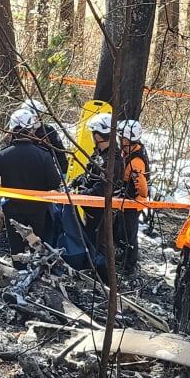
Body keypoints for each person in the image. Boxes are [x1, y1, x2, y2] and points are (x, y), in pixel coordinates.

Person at [0, 108, 61, 269]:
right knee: (35, 242)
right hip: (38, 209)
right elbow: (53, 183)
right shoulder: (43, 155)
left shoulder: (3, 155)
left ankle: (19, 271)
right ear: (31, 130)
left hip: (13, 209)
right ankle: (36, 271)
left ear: (12, 130)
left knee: (16, 246)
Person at [70, 113, 124, 276]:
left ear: (98, 135)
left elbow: (101, 190)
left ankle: (103, 277)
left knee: (99, 244)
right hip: (92, 208)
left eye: (93, 133)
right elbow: (89, 173)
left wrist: (79, 195)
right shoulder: (99, 154)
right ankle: (93, 269)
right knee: (91, 239)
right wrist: (75, 183)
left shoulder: (111, 161)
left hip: (101, 210)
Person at [115, 119, 150, 274]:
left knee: (129, 233)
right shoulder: (130, 152)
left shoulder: (135, 161)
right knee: (120, 230)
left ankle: (129, 264)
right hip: (126, 201)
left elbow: (142, 189)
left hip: (132, 203)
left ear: (126, 139)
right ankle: (123, 256)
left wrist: (133, 198)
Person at [19, 98, 68, 176]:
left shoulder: (48, 131)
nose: (37, 119)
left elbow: (59, 152)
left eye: (39, 116)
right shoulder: (18, 131)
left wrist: (64, 172)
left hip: (44, 172)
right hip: (22, 171)